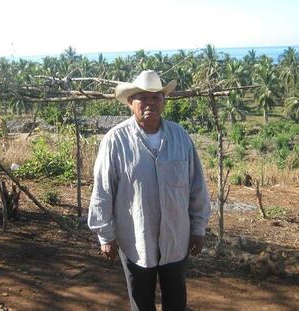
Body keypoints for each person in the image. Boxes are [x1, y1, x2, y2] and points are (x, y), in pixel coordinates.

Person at [88, 70, 211, 311]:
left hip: (176, 239)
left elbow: (197, 186)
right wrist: (105, 235)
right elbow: (103, 189)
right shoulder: (115, 141)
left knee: (176, 301)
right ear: (130, 103)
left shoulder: (180, 137)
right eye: (143, 98)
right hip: (136, 240)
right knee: (142, 302)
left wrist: (198, 227)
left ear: (163, 102)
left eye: (156, 97)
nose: (150, 103)